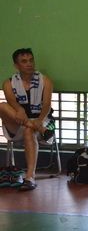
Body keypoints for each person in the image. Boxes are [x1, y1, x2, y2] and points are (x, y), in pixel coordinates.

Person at [0, 48, 54, 191]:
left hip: (40, 121)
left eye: (31, 60)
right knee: (2, 106)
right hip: (18, 123)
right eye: (24, 61)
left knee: (29, 131)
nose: (29, 64)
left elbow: (47, 105)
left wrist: (39, 121)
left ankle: (30, 177)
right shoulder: (8, 84)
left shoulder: (45, 81)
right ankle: (39, 128)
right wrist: (20, 109)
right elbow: (13, 104)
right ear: (16, 65)